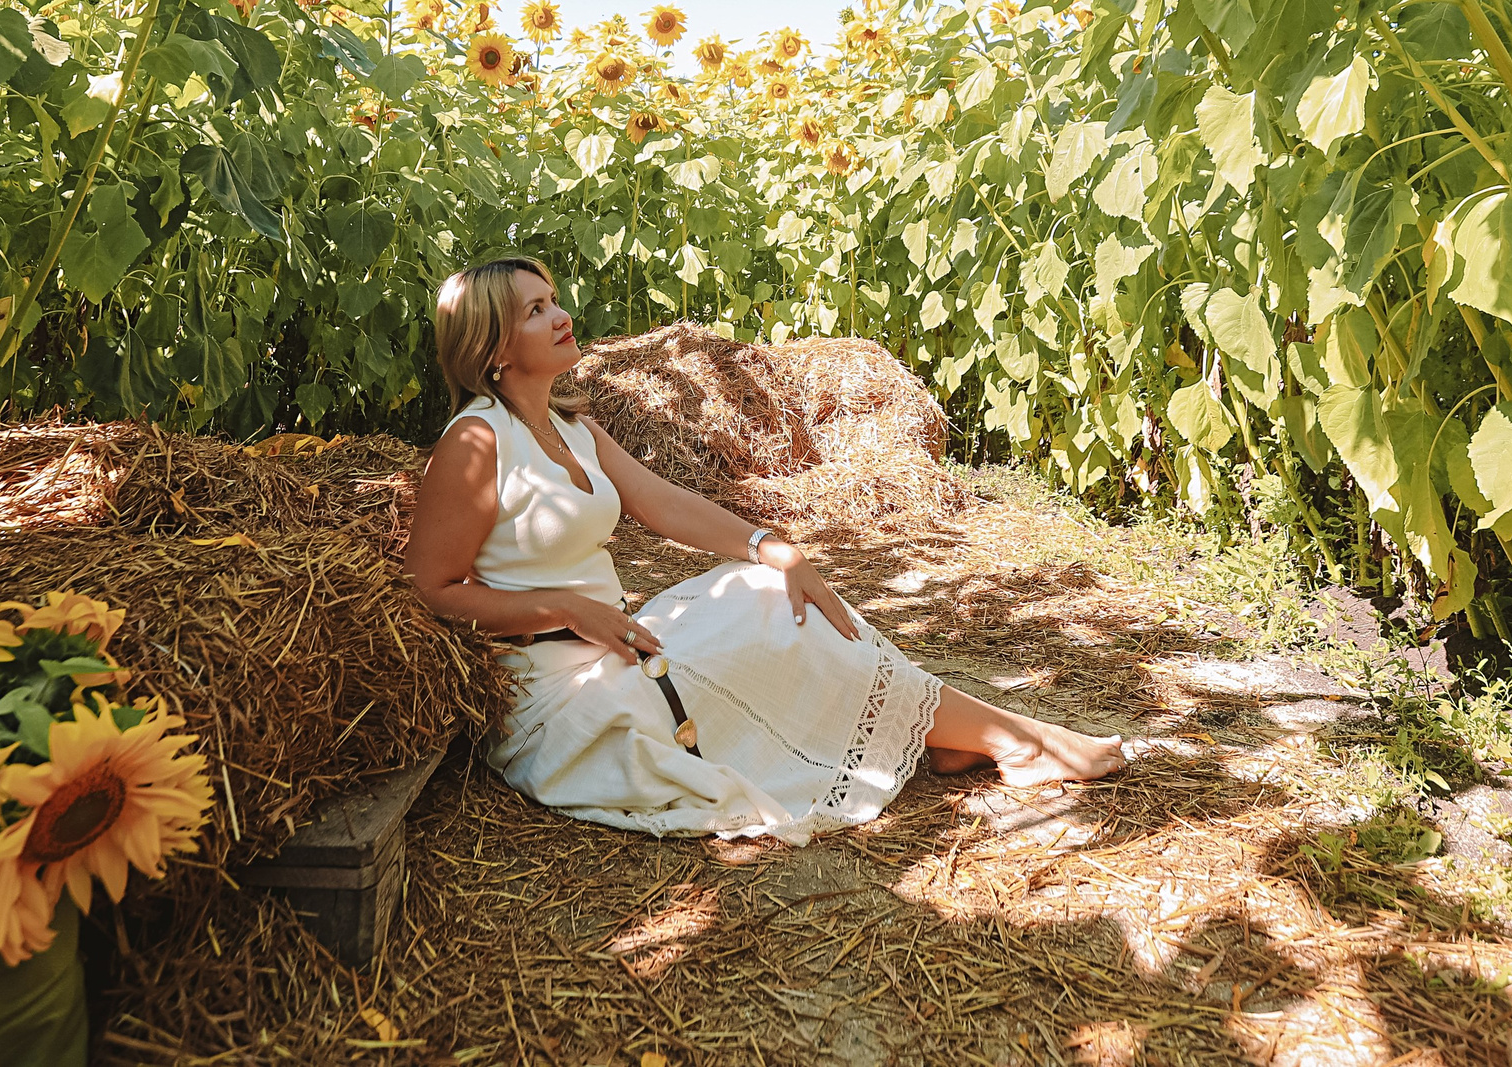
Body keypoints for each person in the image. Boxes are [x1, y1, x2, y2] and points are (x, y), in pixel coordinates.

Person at [406, 256, 1128, 845]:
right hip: (557, 694)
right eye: (535, 309)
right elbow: (431, 589)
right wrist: (568, 607)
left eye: (554, 299)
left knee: (760, 591)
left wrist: (773, 546)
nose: (562, 315)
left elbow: (664, 504)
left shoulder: (575, 427)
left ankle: (974, 733)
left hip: (622, 646)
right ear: (493, 347)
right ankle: (1016, 740)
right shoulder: (475, 442)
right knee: (751, 640)